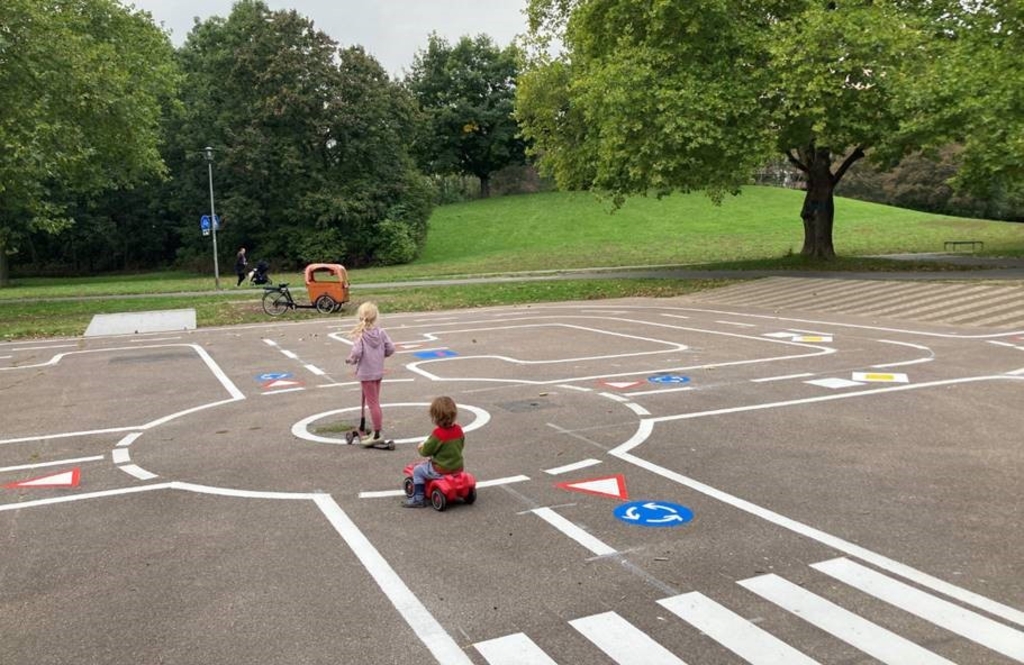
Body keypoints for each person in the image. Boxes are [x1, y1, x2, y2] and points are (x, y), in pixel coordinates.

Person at [345, 302, 395, 445]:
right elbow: (391, 348)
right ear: (376, 317)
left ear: (359, 317)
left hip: (365, 373)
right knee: (374, 401)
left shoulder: (361, 335)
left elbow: (356, 352)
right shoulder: (380, 332)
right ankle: (368, 428)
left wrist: (351, 360)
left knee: (372, 404)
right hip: (377, 371)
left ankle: (377, 433)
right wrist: (381, 355)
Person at [403, 396, 464, 508]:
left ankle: (418, 498)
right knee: (430, 464)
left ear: (435, 417)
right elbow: (461, 444)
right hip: (458, 467)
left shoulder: (438, 434)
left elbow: (426, 451)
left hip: (440, 469)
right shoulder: (459, 430)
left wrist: (421, 447)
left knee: (418, 470)